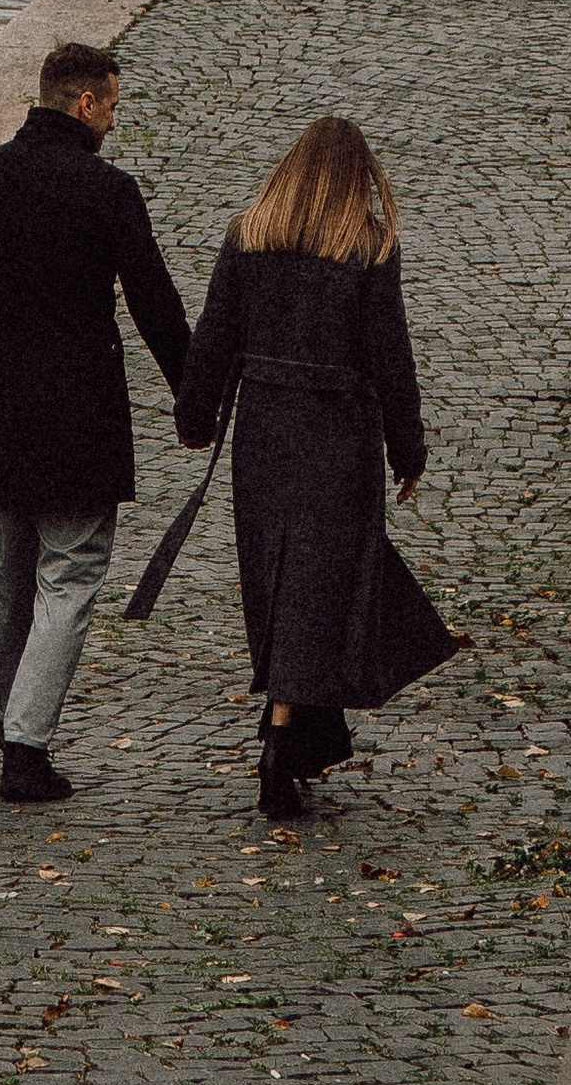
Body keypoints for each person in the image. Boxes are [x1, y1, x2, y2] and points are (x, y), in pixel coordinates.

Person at [0, 39, 192, 805]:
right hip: (80, 413)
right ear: (85, 103)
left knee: (9, 571)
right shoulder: (106, 191)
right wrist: (194, 395)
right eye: (112, 104)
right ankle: (26, 744)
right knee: (70, 573)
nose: (113, 119)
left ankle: (15, 710)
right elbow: (154, 303)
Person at [175, 116, 429, 820]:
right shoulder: (368, 249)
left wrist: (195, 419)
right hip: (339, 437)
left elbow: (214, 337)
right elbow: (392, 360)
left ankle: (301, 729)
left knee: (280, 580)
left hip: (264, 431)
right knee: (323, 581)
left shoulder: (248, 235)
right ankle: (284, 739)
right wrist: (408, 451)